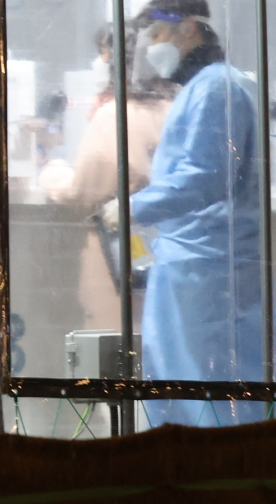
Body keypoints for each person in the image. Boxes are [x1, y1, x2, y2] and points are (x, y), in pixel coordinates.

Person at [112, 0, 276, 426]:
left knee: (213, 387)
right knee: (184, 379)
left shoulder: (218, 88)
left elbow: (207, 174)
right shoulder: (206, 88)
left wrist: (135, 207)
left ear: (190, 28)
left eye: (160, 32)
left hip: (211, 270)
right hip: (196, 264)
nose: (153, 46)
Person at [43, 23, 177, 328]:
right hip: (166, 246)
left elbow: (84, 189)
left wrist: (52, 173)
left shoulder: (117, 114)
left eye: (104, 54)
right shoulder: (174, 106)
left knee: (115, 342)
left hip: (121, 248)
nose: (100, 62)